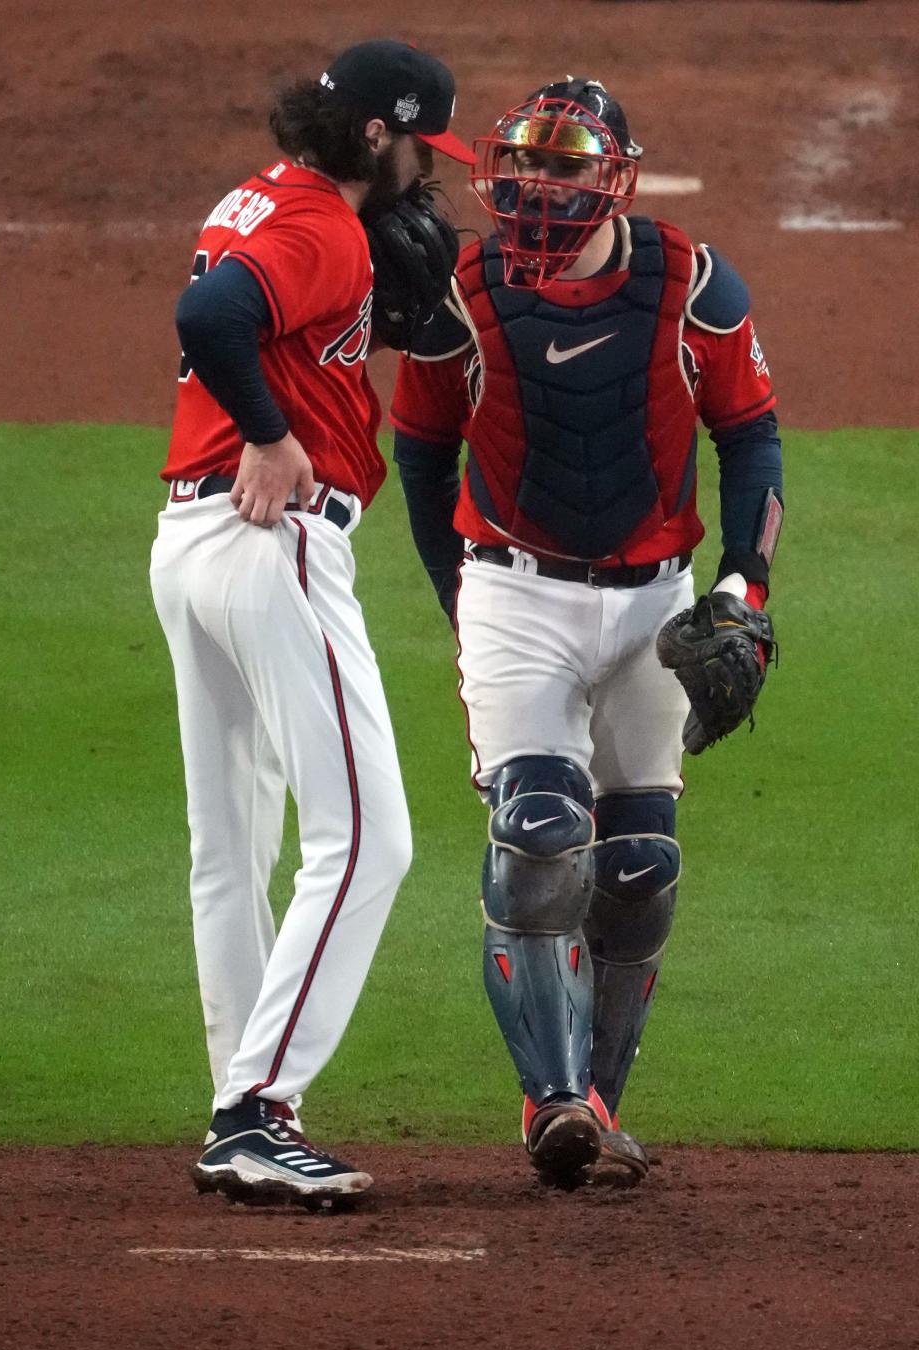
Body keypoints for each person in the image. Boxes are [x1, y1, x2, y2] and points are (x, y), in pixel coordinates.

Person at [390, 78, 782, 1188]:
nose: (538, 188)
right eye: (523, 166)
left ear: (613, 177)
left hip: (659, 601)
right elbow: (422, 454)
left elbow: (750, 435)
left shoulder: (690, 285)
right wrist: (456, 591)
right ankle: (553, 1101)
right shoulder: (463, 292)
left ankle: (597, 1101)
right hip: (516, 590)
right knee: (539, 842)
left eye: (564, 168)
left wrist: (745, 588)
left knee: (642, 864)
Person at [150, 38, 473, 1208]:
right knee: (368, 839)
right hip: (269, 539)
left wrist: (288, 393)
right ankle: (258, 1111)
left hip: (189, 546)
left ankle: (238, 1097)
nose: (423, 175)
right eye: (420, 145)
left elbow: (250, 317)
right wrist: (276, 433)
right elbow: (213, 315)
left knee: (232, 846)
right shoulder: (323, 227)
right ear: (378, 133)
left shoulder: (260, 193)